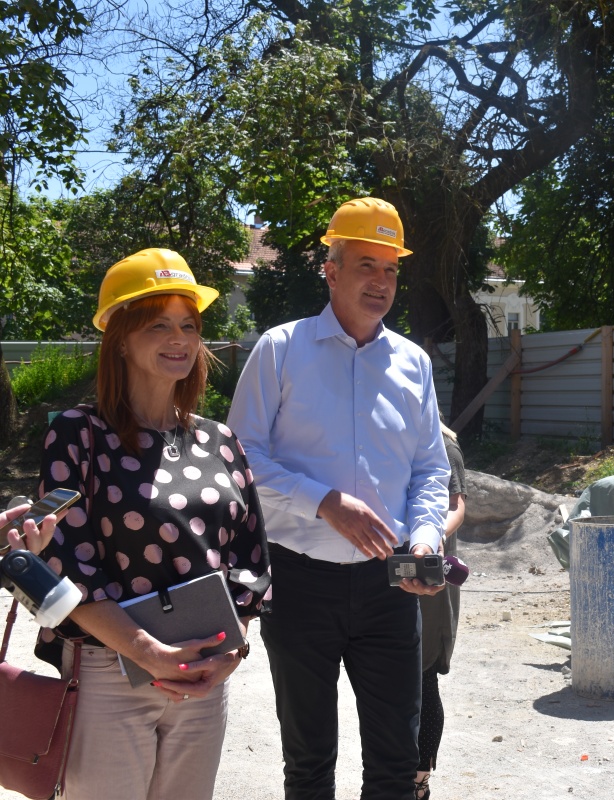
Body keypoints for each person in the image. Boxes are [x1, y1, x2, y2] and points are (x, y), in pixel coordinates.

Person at [227, 197, 450, 800]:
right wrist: (323, 502)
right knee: (308, 764)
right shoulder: (280, 349)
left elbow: (430, 469)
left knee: (396, 764)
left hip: (390, 587)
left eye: (391, 269)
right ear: (331, 271)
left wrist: (425, 537)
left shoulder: (414, 364)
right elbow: (240, 458)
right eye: (365, 265)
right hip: (298, 585)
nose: (381, 282)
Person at [33, 248, 271, 800]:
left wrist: (232, 651)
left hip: (204, 672)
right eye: (158, 324)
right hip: (107, 670)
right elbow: (64, 565)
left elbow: (249, 556)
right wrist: (145, 651)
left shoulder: (220, 440)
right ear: (120, 338)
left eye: (188, 325)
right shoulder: (78, 435)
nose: (179, 338)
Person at [415, 421, 467, 800]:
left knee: (424, 677)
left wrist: (431, 538)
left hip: (431, 576)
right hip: (392, 572)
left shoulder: (446, 447)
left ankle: (419, 780)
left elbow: (456, 509)